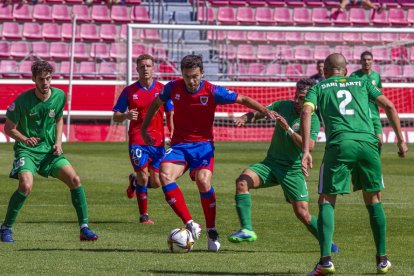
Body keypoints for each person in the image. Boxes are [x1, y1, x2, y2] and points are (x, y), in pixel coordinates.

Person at [140, 54, 277, 252]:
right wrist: (144, 129)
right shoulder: (173, 87)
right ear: (182, 75)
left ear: (202, 73)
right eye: (187, 76)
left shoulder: (212, 90)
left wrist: (265, 111)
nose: (191, 81)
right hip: (179, 145)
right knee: (164, 175)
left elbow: (243, 98)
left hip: (203, 146)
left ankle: (212, 231)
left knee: (204, 182)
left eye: (195, 76)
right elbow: (156, 104)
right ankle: (190, 223)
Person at [301, 53, 407, 275]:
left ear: (325, 71)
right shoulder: (363, 82)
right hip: (368, 143)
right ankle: (382, 260)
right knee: (374, 199)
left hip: (340, 143)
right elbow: (389, 106)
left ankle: (325, 262)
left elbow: (306, 111)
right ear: (346, 71)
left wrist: (306, 151)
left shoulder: (319, 87)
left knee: (327, 199)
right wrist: (400, 139)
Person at [227, 79, 338, 253]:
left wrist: (288, 128)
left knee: (303, 214)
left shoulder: (313, 118)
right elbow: (261, 112)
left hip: (292, 171)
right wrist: (245, 117)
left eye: (301, 98)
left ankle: (327, 243)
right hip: (270, 164)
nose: (296, 100)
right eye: (295, 95)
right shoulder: (283, 105)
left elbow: (309, 146)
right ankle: (247, 229)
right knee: (242, 181)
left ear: (309, 98)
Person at [0, 60, 98, 242]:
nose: (45, 83)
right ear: (33, 79)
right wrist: (25, 139)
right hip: (27, 151)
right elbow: (8, 127)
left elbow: (59, 118)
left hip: (49, 151)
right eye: (41, 79)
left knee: (75, 179)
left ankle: (84, 228)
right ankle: (6, 228)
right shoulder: (22, 101)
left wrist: (58, 142)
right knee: (25, 186)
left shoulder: (60, 95)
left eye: (48, 78)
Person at [112, 54, 174, 225]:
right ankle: (144, 216)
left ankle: (134, 181)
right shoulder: (129, 91)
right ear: (137, 69)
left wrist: (173, 133)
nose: (145, 69)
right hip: (137, 140)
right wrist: (125, 115)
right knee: (144, 178)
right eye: (142, 66)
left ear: (153, 68)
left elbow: (170, 113)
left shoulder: (162, 90)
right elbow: (116, 116)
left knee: (156, 182)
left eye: (148, 66)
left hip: (158, 141)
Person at [350, 51, 383, 147]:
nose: (366, 62)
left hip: (374, 114)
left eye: (369, 59)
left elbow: (380, 90)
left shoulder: (376, 75)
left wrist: (375, 90)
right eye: (364, 60)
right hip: (360, 114)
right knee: (361, 143)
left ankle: (375, 161)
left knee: (379, 141)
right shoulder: (354, 76)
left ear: (372, 61)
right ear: (360, 61)